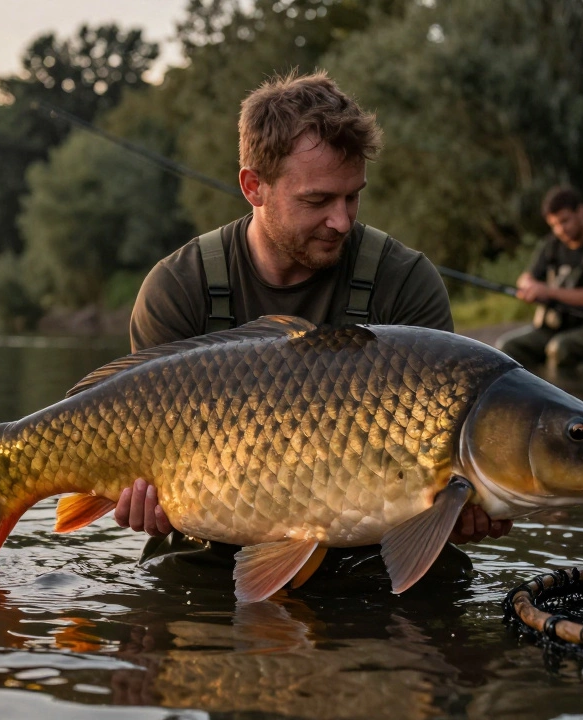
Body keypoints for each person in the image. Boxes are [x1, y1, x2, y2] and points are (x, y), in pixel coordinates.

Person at [116, 70, 513, 583]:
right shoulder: (179, 286)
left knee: (441, 590)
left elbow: (443, 474)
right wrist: (141, 500)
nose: (342, 221)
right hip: (214, 540)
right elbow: (140, 451)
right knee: (165, 598)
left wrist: (459, 508)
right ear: (253, 186)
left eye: (353, 197)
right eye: (317, 200)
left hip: (370, 547)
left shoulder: (405, 280)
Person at [496, 186, 583, 370]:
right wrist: (530, 288)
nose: (560, 230)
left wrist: (547, 292)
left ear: (581, 211)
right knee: (507, 348)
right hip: (551, 329)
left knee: (560, 348)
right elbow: (525, 278)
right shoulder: (551, 244)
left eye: (565, 221)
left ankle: (575, 386)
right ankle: (531, 388)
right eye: (554, 225)